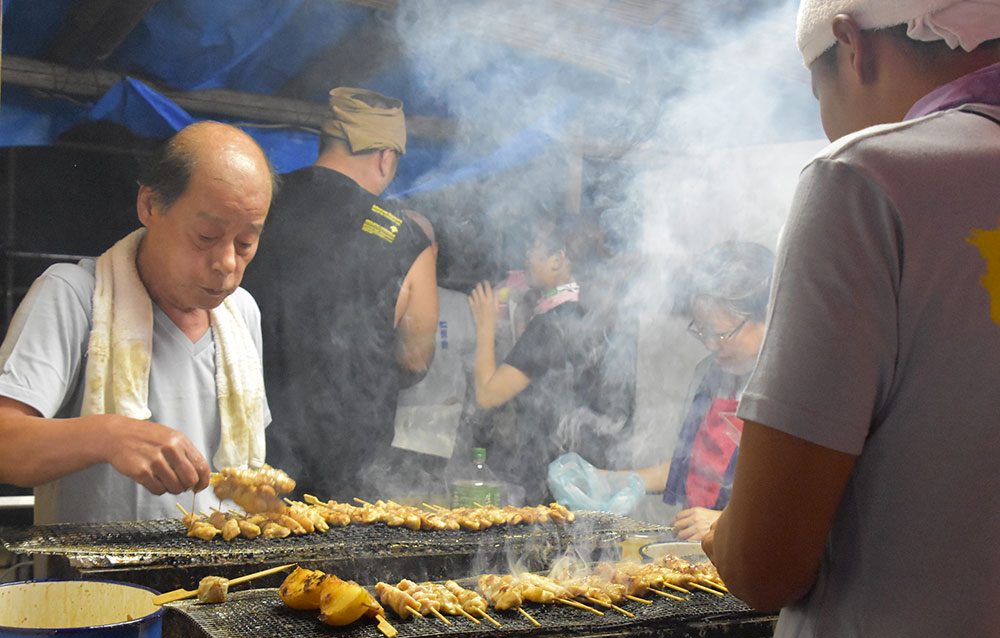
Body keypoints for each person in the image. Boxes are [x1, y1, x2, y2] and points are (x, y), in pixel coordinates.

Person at [703, 2, 1000, 638]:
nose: (824, 119)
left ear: (851, 44)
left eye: (817, 89)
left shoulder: (864, 180)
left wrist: (721, 535)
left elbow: (763, 565)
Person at [0, 121, 276, 524]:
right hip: (98, 584)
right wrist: (106, 435)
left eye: (245, 243)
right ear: (150, 205)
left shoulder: (242, 312)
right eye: (206, 236)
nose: (227, 264)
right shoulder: (74, 296)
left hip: (218, 580)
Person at [242, 87, 438, 502]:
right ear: (386, 156)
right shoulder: (405, 237)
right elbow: (415, 358)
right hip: (350, 478)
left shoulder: (257, 204)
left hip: (247, 460)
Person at [468, 211, 626, 504]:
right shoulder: (595, 316)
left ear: (558, 260)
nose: (528, 253)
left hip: (554, 483)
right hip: (589, 478)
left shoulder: (555, 322)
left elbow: (488, 394)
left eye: (536, 246)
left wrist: (485, 325)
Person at [627, 241, 772, 541]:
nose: (710, 345)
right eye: (702, 331)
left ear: (766, 317)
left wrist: (726, 522)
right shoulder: (709, 375)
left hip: (751, 560)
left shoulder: (790, 390)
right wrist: (621, 481)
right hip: (698, 556)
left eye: (721, 334)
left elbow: (804, 505)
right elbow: (694, 463)